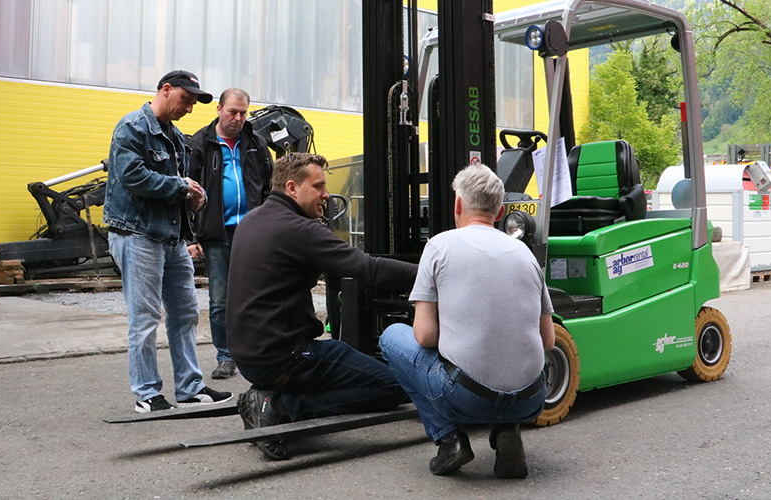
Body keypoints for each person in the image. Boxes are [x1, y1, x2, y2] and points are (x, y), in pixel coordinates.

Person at [227, 152, 416, 460]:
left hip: (248, 356)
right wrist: (432, 274)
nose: (326, 195)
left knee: (344, 362)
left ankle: (269, 395)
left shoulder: (251, 220)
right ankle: (277, 407)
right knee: (394, 386)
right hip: (285, 358)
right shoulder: (302, 231)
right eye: (318, 186)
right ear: (292, 188)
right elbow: (368, 269)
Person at [378, 163, 555, 478]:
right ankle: (507, 432)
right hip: (531, 398)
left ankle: (449, 439)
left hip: (466, 399)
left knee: (392, 336)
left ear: (458, 204)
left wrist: (461, 328)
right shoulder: (526, 255)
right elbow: (548, 341)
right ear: (500, 211)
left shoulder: (439, 247)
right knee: (504, 349)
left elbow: (425, 336)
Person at [104, 69, 232, 413]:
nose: (189, 108)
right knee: (145, 317)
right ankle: (147, 394)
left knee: (187, 312)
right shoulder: (132, 127)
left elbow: (179, 188)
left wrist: (194, 201)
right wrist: (180, 188)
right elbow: (132, 176)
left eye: (193, 103)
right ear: (165, 90)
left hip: (172, 238)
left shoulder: (176, 138)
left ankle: (190, 389)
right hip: (137, 235)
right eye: (185, 100)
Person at [187, 88, 275, 380]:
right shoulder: (200, 143)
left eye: (243, 113)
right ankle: (226, 357)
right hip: (216, 234)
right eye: (232, 112)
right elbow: (186, 192)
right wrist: (192, 236)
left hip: (253, 233)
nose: (237, 118)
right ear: (219, 110)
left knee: (259, 294)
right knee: (220, 301)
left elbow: (268, 186)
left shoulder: (256, 143)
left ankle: (260, 351)